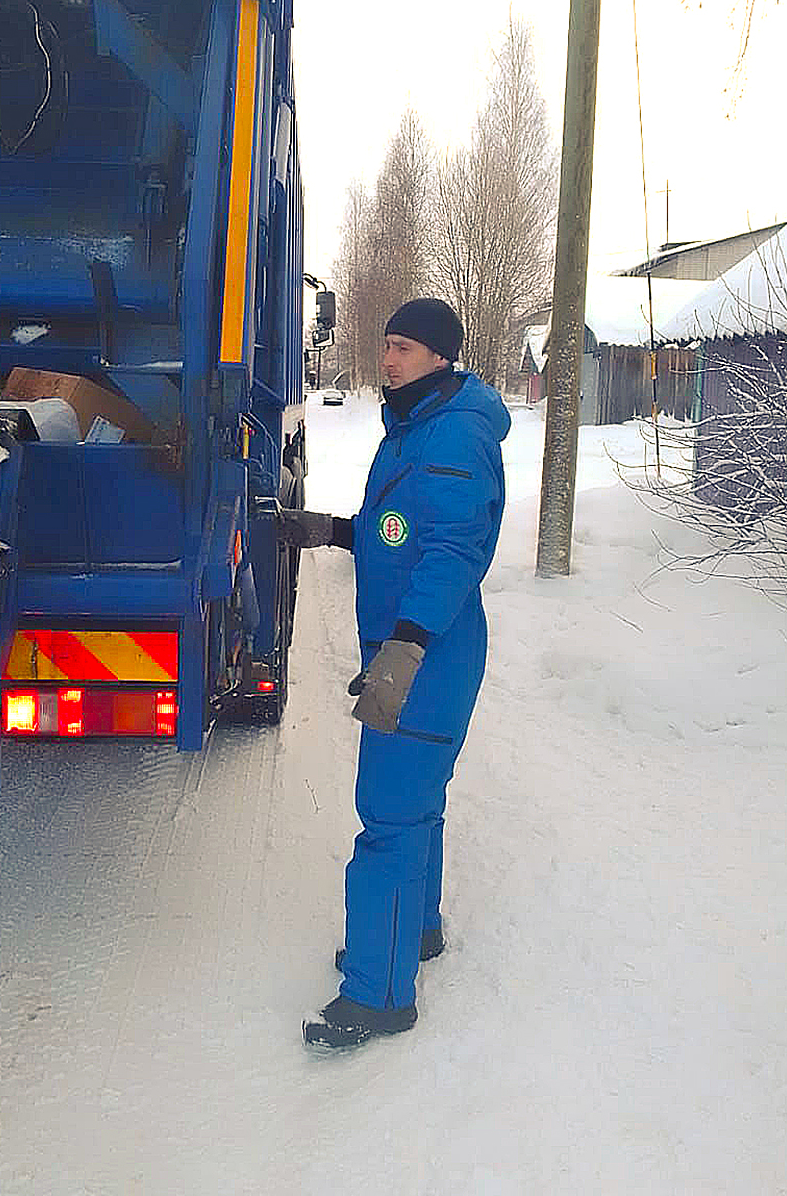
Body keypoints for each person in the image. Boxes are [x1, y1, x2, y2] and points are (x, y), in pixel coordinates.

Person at [281, 297, 510, 1050]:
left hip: (426, 655)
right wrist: (334, 531)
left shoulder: (451, 433)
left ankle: (378, 994)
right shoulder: (421, 422)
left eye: (406, 347)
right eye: (387, 345)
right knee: (419, 802)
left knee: (387, 812)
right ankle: (413, 931)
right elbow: (402, 532)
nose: (389, 360)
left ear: (442, 355)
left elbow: (451, 551)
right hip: (424, 648)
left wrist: (403, 651)